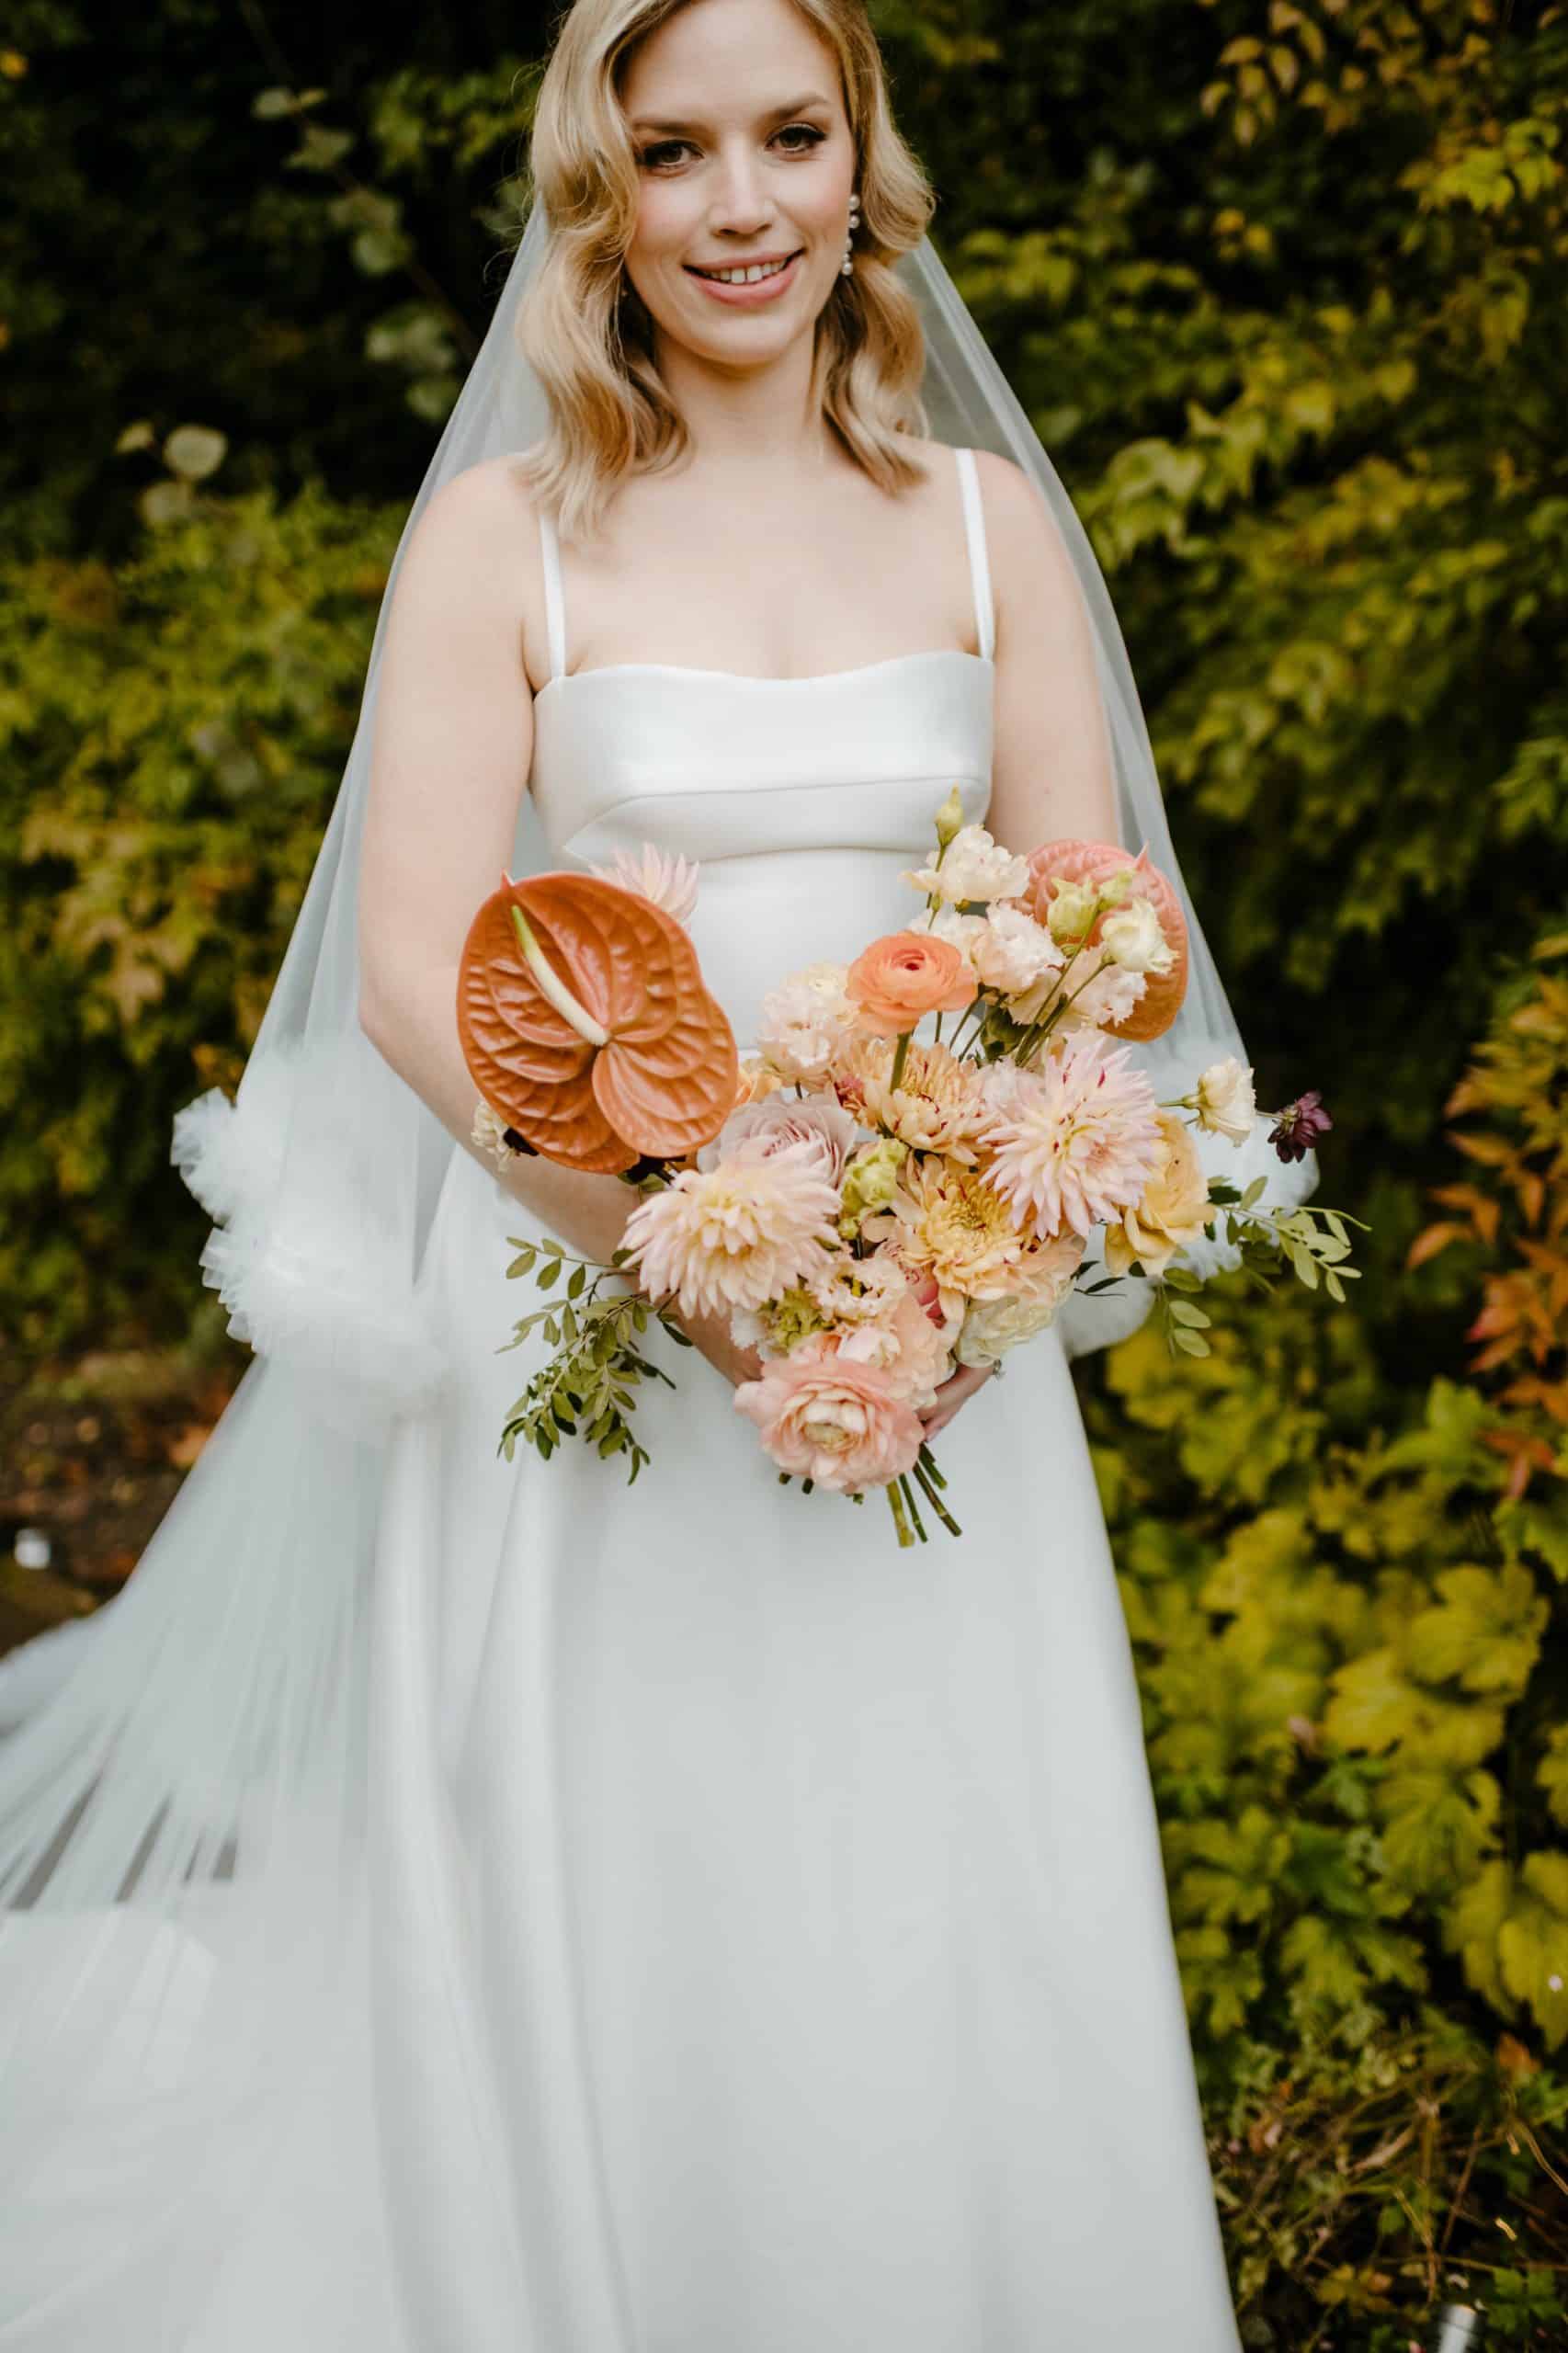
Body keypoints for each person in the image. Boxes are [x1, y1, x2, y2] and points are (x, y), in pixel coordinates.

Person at [0, 0, 1318, 2344]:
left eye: (789, 137)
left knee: (915, 1862)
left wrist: (950, 1231)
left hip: (931, 1339)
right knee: (619, 1861)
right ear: (603, 189)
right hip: (594, 1315)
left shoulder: (986, 528)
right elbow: (418, 970)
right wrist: (680, 1256)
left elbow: (1096, 932)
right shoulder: (510, 540)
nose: (741, 205)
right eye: (678, 148)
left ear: (858, 160)